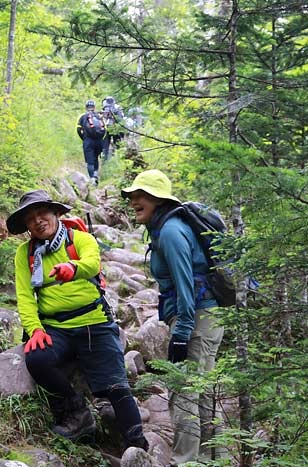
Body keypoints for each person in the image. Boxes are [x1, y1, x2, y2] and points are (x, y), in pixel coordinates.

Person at [6, 189, 149, 452]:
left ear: (56, 213)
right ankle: (77, 413)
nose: (38, 221)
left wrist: (73, 268)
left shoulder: (80, 239)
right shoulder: (24, 254)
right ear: (26, 226)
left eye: (42, 213)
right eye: (30, 218)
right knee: (37, 359)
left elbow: (92, 264)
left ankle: (137, 446)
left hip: (94, 323)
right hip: (55, 327)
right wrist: (34, 330)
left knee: (116, 386)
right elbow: (25, 297)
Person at [121, 170, 225, 465]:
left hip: (196, 319)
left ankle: (186, 460)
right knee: (203, 394)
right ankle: (208, 459)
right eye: (132, 196)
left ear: (157, 199)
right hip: (205, 317)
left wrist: (181, 334)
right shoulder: (166, 227)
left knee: (185, 395)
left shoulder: (170, 232)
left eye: (140, 196)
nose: (134, 202)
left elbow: (185, 285)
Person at [76, 100, 106, 185]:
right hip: (99, 141)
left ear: (86, 107)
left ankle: (92, 179)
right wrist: (101, 140)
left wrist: (84, 138)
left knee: (90, 161)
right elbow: (105, 130)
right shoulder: (99, 116)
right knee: (96, 158)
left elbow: (78, 129)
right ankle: (96, 174)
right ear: (94, 107)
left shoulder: (82, 117)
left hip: (88, 141)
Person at [101, 96, 125, 161]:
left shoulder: (105, 106)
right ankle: (117, 158)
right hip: (115, 128)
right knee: (116, 144)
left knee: (106, 145)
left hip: (108, 127)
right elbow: (121, 119)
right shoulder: (118, 107)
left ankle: (105, 159)